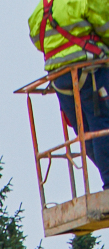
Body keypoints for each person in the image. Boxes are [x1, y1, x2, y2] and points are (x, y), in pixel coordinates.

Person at [31, 0, 109, 187]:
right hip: (91, 73)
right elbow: (106, 25)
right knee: (102, 126)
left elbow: (38, 41)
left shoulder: (41, 10)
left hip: (62, 82)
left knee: (86, 132)